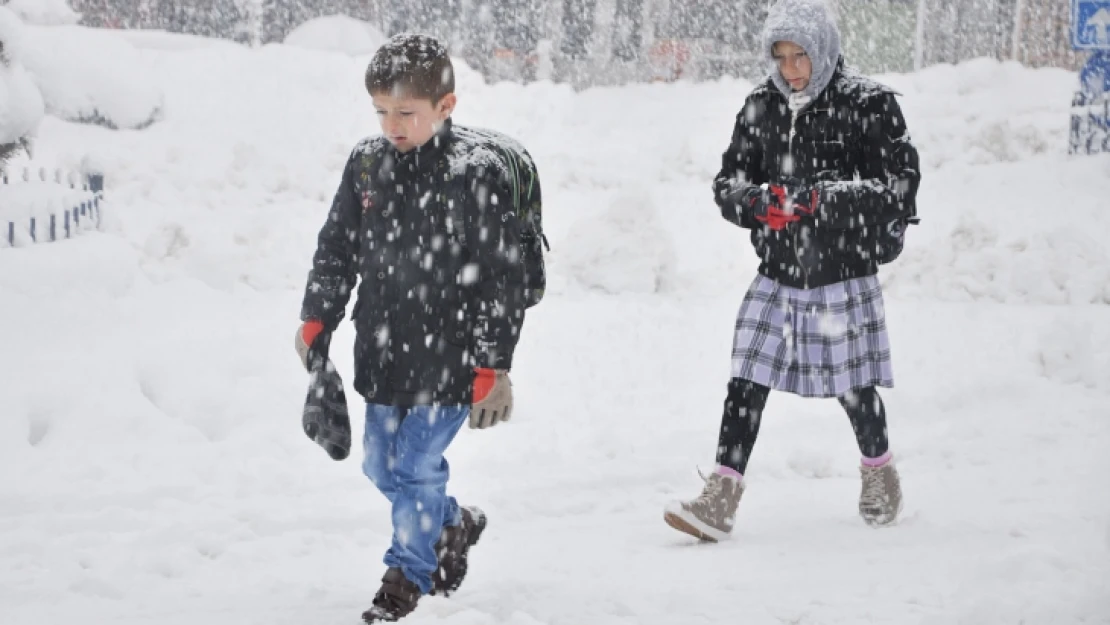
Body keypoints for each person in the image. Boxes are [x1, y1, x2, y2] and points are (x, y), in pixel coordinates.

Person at [295, 34, 544, 623]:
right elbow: (337, 247)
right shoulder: (366, 164)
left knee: (413, 467)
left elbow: (500, 279)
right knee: (380, 467)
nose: (392, 125)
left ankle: (407, 573)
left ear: (445, 107)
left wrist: (490, 365)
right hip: (383, 349)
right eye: (382, 111)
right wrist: (317, 318)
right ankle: (450, 522)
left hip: (452, 354)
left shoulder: (473, 174)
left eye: (406, 112)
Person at [664, 0, 921, 542]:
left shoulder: (868, 104)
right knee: (746, 380)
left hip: (842, 272)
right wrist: (759, 202)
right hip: (778, 270)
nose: (790, 69)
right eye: (780, 57)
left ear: (823, 50)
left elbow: (896, 191)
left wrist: (819, 201)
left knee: (854, 387)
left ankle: (880, 474)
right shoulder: (761, 105)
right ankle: (722, 497)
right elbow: (726, 184)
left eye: (800, 55)